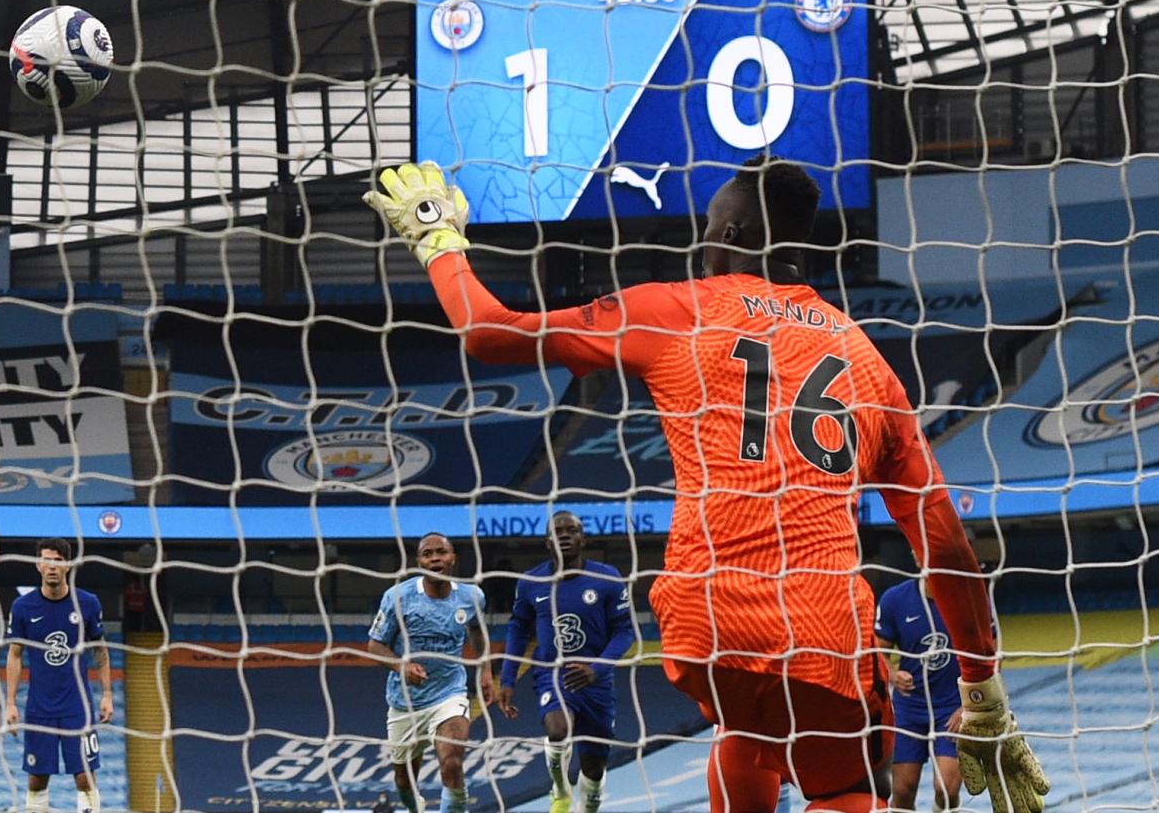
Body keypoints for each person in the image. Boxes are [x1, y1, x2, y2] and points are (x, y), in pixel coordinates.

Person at [366, 160, 1046, 813]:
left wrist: (436, 235)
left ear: (731, 235)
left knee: (749, 730)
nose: (701, 249)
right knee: (841, 789)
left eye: (707, 234)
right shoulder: (869, 362)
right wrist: (981, 685)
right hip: (821, 623)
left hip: (706, 618)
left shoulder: (675, 308)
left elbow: (489, 330)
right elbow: (946, 542)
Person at [498, 512, 635, 813]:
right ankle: (560, 789)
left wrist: (596, 669)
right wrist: (507, 680)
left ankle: (586, 805)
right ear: (547, 542)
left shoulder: (608, 578)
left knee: (594, 768)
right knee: (557, 729)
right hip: (551, 672)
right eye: (557, 531)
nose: (564, 535)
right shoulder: (532, 582)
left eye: (571, 530)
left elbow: (625, 633)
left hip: (596, 683)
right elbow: (517, 629)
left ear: (583, 539)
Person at [365, 533, 499, 813]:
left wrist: (485, 668)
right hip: (405, 702)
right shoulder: (398, 597)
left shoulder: (472, 596)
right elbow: (374, 645)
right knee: (404, 782)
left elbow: (476, 629)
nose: (435, 558)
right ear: (419, 562)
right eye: (428, 554)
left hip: (449, 693)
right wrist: (401, 666)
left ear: (453, 559)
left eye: (441, 552)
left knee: (451, 762)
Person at [4, 539, 114, 813]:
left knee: (85, 775)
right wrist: (10, 702)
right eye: (46, 560)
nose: (51, 567)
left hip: (79, 706)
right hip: (39, 707)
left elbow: (100, 650)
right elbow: (15, 654)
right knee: (37, 778)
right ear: (38, 565)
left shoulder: (87, 603)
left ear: (67, 565)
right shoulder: (22, 607)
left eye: (57, 561)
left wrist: (107, 695)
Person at [877, 577, 975, 812]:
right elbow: (879, 650)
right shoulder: (894, 599)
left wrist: (969, 706)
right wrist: (892, 674)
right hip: (909, 710)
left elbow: (990, 656)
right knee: (902, 790)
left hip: (953, 708)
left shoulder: (970, 597)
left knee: (947, 790)